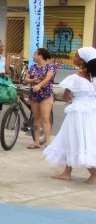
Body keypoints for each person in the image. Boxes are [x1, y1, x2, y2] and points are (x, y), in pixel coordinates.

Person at [44, 46, 96, 184]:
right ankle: (67, 172)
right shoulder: (94, 78)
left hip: (77, 112)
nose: (74, 57)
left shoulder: (75, 78)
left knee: (76, 140)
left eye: (76, 56)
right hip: (91, 111)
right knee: (78, 139)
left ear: (82, 61)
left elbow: (67, 95)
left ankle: (94, 173)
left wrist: (72, 98)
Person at [25, 47, 56, 149]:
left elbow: (48, 78)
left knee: (46, 119)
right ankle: (36, 142)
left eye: (35, 54)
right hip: (34, 95)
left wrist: (39, 85)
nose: (33, 56)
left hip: (46, 95)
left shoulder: (50, 66)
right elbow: (26, 79)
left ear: (40, 56)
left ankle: (48, 143)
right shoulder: (33, 67)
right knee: (36, 119)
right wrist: (34, 80)